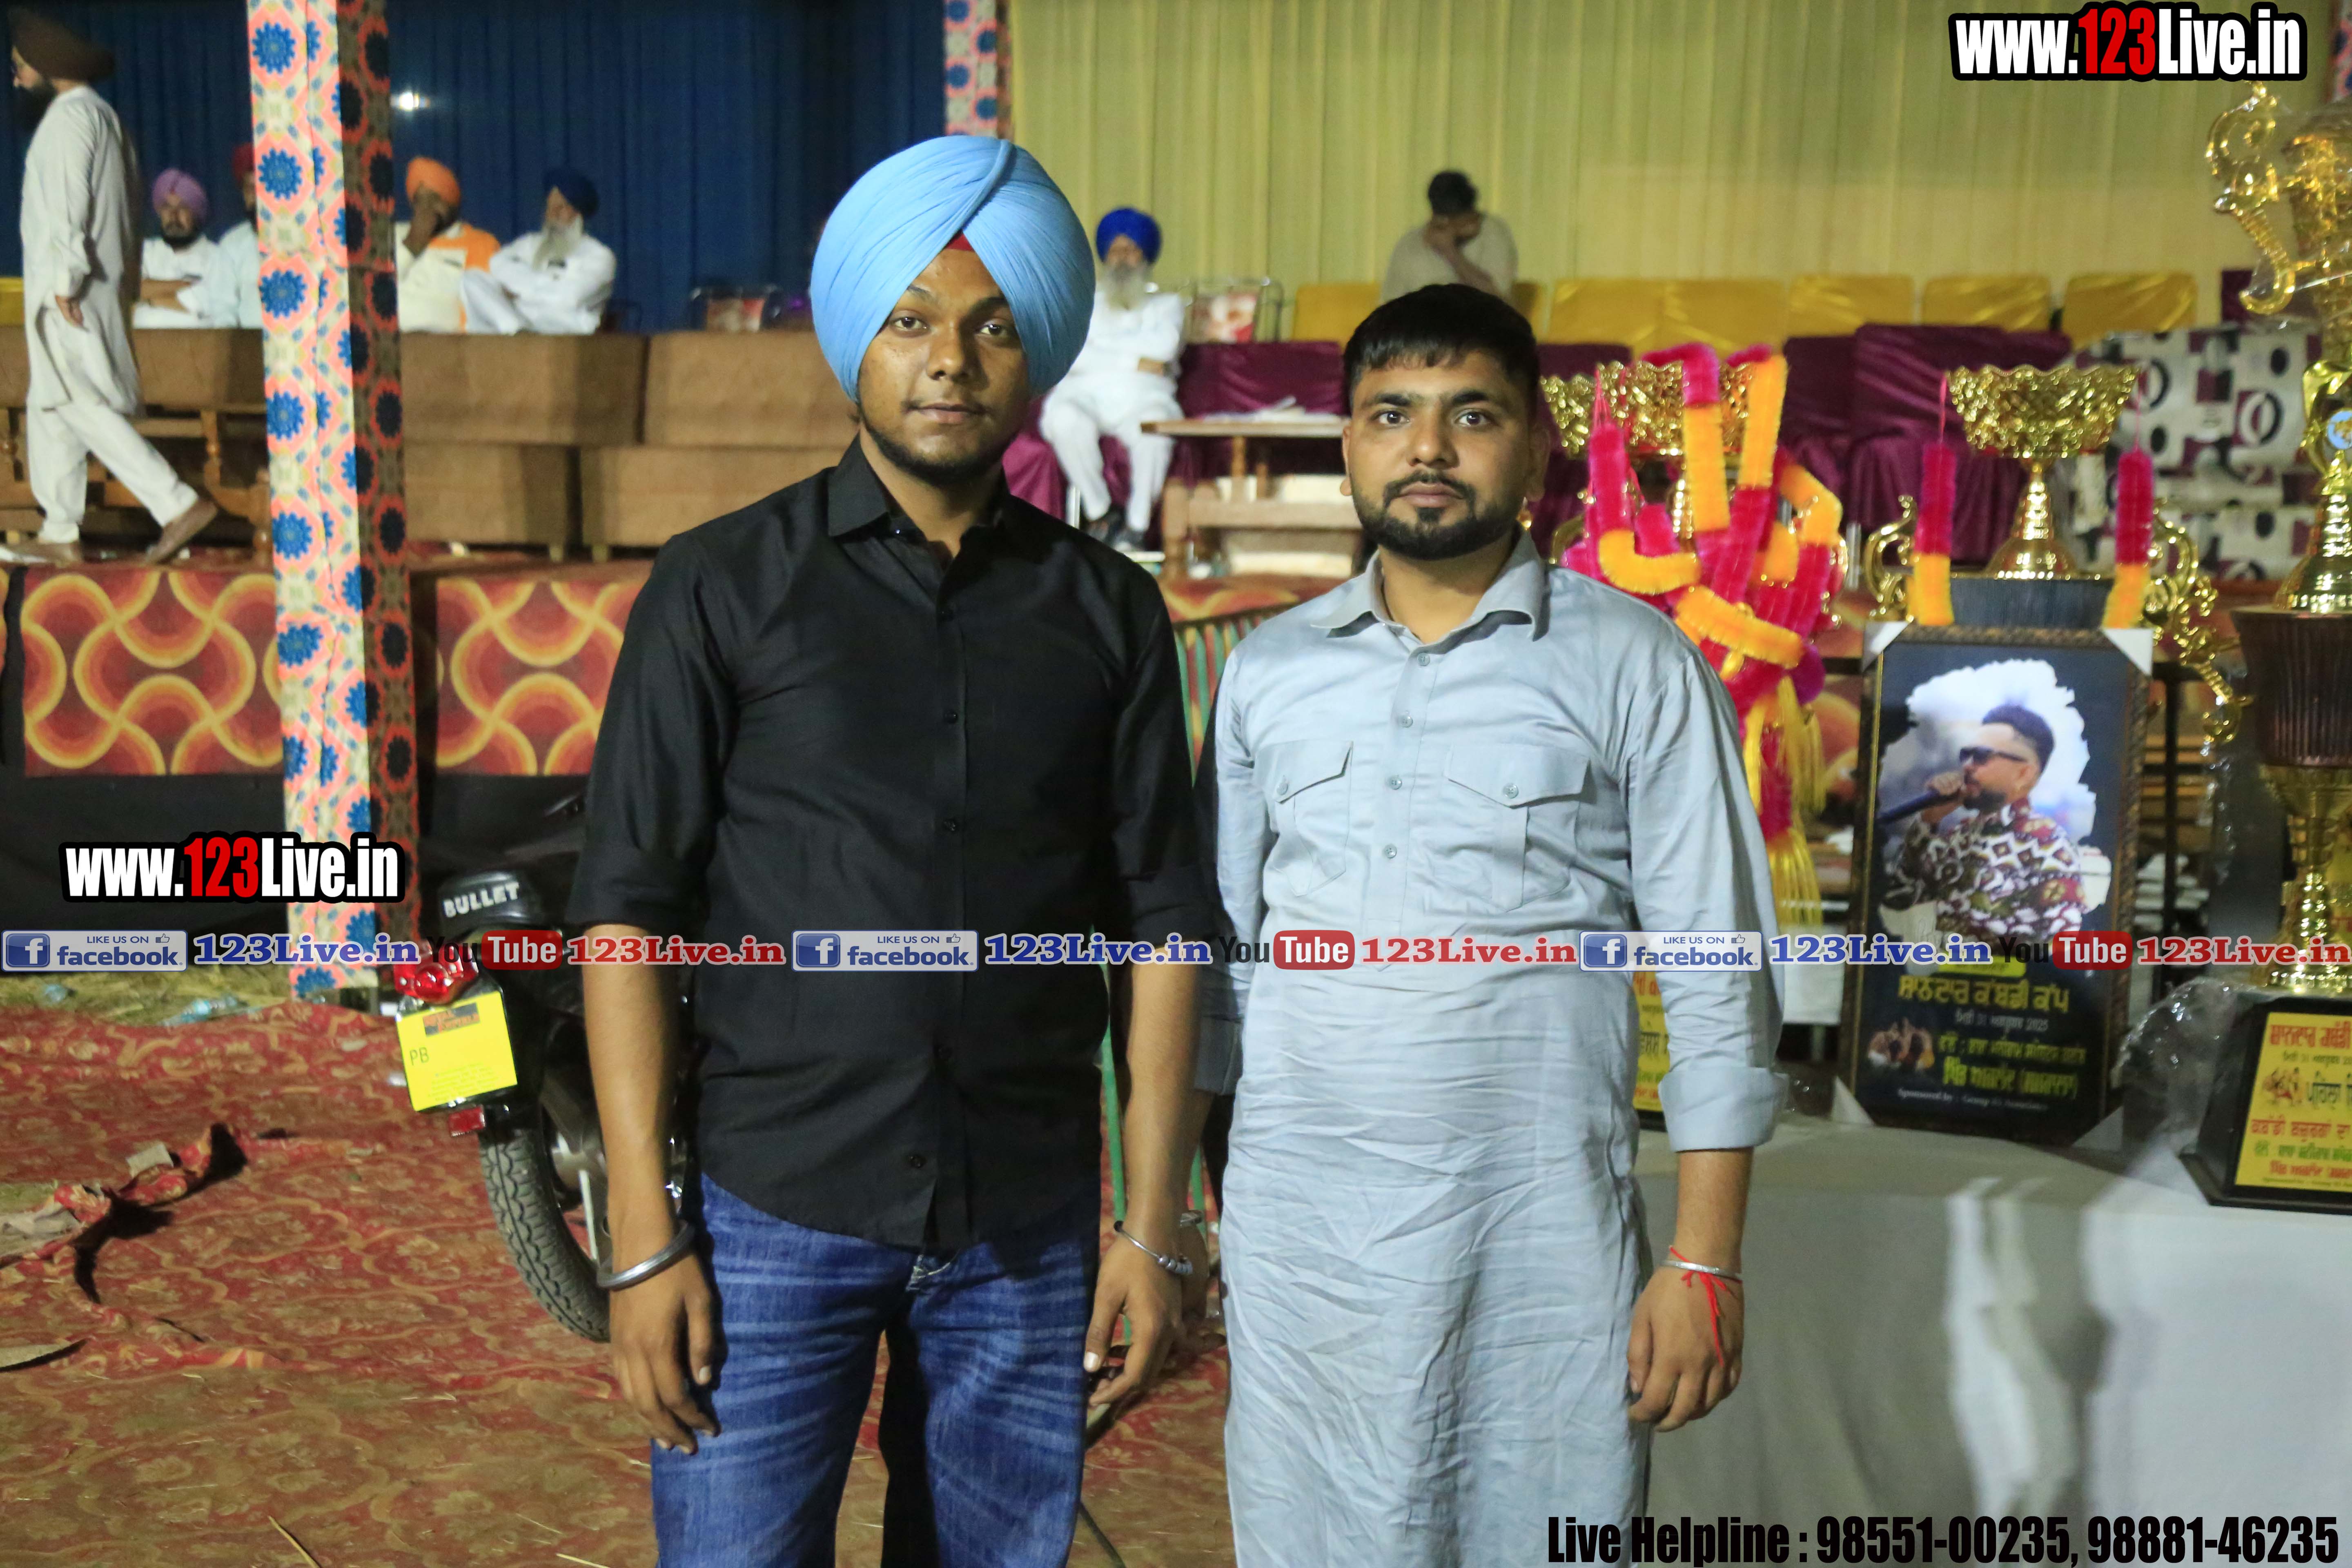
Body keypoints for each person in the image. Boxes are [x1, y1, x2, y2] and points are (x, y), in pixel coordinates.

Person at [568, 134, 1210, 1568]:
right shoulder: (721, 585)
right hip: (772, 1205)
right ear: (856, 333)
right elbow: (626, 911)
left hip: (1025, 1224)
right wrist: (644, 1235)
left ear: (1038, 352)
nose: (950, 362)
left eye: (993, 327)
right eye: (912, 320)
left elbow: (1164, 923)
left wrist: (1152, 1227)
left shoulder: (1108, 614)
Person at [1193, 283, 1781, 1562]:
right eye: (1390, 414)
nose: (1428, 448)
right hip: (1305, 1237)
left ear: (1536, 446)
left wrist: (1704, 1258)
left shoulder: (1636, 661)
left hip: (1538, 1233)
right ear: (1348, 442)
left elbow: (1718, 975)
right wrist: (1183, 1215)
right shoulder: (1270, 671)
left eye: (1472, 415)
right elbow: (1219, 981)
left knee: (1536, 1523)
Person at [0, 8, 216, 567]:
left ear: (46, 64)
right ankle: (60, 529)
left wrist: (66, 281)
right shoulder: (103, 118)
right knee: (48, 404)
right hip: (89, 284)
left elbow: (71, 205)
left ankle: (176, 503)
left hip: (71, 287)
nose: (15, 75)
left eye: (21, 64)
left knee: (75, 399)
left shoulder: (70, 120)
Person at [1036, 206, 1184, 550]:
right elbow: (1073, 355)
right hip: (1084, 395)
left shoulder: (1168, 305)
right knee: (1063, 418)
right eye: (1116, 250)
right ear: (1105, 256)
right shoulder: (1083, 304)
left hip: (1145, 399)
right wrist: (1136, 359)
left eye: (1131, 250)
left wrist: (1101, 350)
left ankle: (1136, 526)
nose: (1122, 259)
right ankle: (1102, 512)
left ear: (1145, 257)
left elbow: (1164, 349)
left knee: (1155, 431)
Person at [1888, 704, 2088, 944]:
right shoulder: (1956, 836)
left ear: (2024, 774)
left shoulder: (2048, 843)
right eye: (1966, 755)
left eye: (1981, 756)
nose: (1967, 766)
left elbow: (2066, 941)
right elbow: (1896, 897)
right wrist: (1928, 821)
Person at [460, 166, 615, 336]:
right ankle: (519, 333)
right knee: (471, 278)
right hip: (519, 319)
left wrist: (518, 290)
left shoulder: (599, 255)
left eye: (561, 208)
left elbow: (569, 299)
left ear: (579, 214)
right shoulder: (530, 244)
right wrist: (552, 283)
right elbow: (496, 265)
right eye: (550, 207)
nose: (553, 214)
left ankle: (518, 333)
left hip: (564, 326)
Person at [392, 157, 497, 332]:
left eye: (434, 199)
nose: (427, 208)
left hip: (443, 343)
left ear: (452, 203)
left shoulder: (479, 243)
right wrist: (411, 245)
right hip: (385, 340)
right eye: (419, 200)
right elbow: (374, 291)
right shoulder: (394, 234)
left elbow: (483, 312)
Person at [1379, 169, 1517, 303]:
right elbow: (1391, 304)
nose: (1473, 226)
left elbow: (1498, 302)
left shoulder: (1494, 234)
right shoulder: (1410, 245)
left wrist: (1451, 254)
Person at [132, 169, 213, 328]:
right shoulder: (146, 251)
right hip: (145, 341)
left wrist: (150, 300)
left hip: (199, 341)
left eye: (182, 208)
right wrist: (188, 285)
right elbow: (134, 289)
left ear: (196, 214)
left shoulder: (216, 255)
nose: (173, 216)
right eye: (167, 207)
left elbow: (211, 300)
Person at [195, 143, 260, 330]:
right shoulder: (233, 244)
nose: (258, 196)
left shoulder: (306, 239)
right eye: (251, 189)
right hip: (250, 343)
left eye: (264, 187)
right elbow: (223, 308)